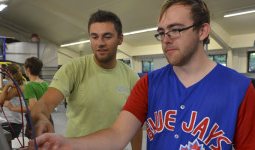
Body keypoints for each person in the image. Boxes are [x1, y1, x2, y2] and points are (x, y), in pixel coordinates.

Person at [27, 0, 255, 149]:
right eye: (162, 32)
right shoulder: (148, 84)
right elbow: (117, 135)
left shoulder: (239, 89)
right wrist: (63, 142)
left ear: (202, 31)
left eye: (176, 30)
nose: (166, 38)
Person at [30, 10, 142, 149]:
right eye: (94, 37)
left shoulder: (131, 77)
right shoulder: (73, 69)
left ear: (120, 39)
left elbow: (135, 125)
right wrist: (41, 119)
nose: (100, 43)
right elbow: (44, 104)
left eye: (107, 37)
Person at [4, 57, 53, 139]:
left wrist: (12, 107)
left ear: (28, 69)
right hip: (47, 119)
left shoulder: (29, 86)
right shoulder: (45, 84)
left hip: (36, 122)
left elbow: (32, 107)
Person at [0, 63, 26, 139]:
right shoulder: (18, 85)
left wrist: (6, 86)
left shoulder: (14, 88)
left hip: (12, 121)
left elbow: (1, 101)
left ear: (9, 72)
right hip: (13, 120)